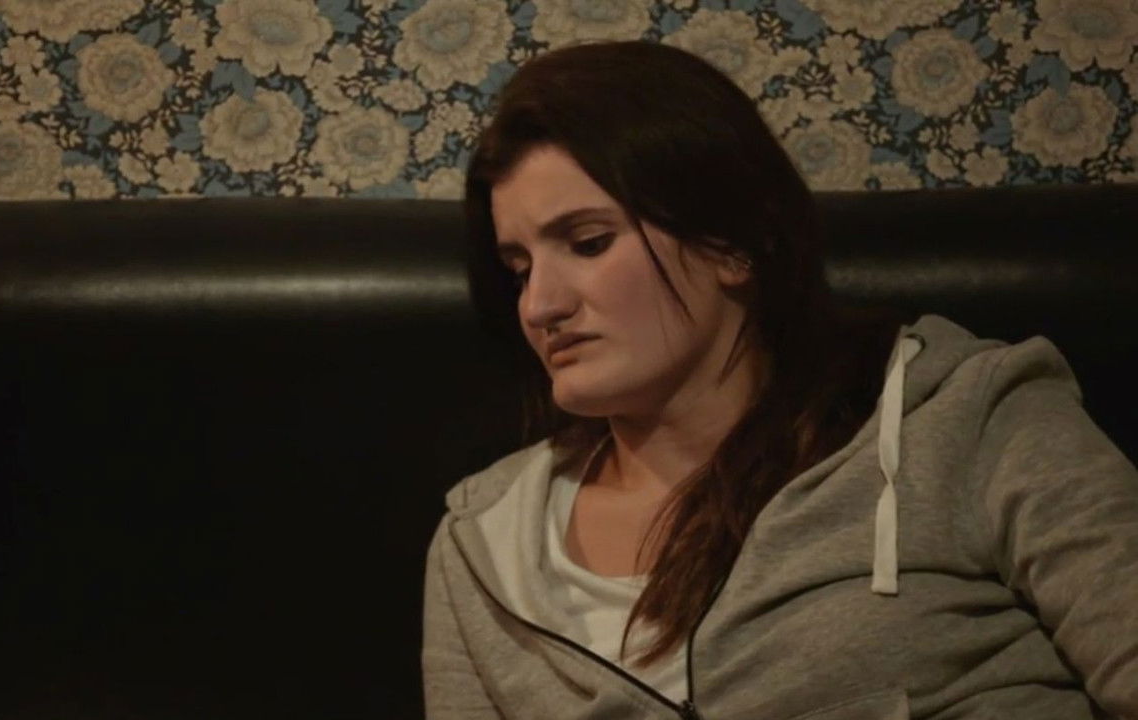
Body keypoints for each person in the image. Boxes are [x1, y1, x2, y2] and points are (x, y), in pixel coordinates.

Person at [422, 41, 1138, 719]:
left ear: (733, 244)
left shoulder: (966, 417)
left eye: (588, 243)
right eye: (519, 270)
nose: (539, 305)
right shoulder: (481, 544)